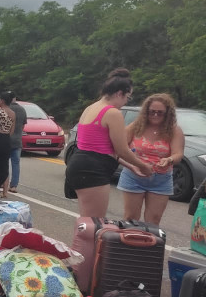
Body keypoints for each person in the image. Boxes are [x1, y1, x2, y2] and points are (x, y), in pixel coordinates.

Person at [65, 68, 153, 218]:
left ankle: (80, 242)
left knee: (86, 221)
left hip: (79, 165)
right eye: (128, 97)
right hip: (93, 171)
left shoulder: (90, 108)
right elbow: (121, 150)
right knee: (94, 223)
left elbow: (102, 149)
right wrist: (143, 166)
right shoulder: (112, 113)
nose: (126, 102)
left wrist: (131, 166)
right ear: (119, 93)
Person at [117, 94, 185, 224]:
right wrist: (133, 164)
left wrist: (169, 160)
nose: (155, 115)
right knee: (131, 218)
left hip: (161, 179)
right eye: (152, 112)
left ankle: (149, 243)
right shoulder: (135, 126)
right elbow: (119, 150)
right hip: (134, 176)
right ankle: (130, 243)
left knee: (153, 220)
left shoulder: (174, 131)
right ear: (145, 112)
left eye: (160, 113)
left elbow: (178, 154)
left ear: (168, 114)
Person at [8, 93, 27, 192]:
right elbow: (23, 126)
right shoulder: (22, 110)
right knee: (16, 163)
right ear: (15, 99)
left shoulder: (6, 109)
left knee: (4, 163)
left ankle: (3, 183)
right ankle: (14, 185)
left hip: (7, 140)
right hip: (18, 141)